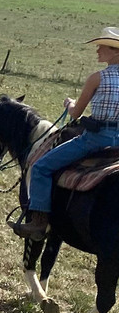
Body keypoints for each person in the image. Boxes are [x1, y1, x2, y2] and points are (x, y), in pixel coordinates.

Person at [13, 26, 119, 240]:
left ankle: (38, 222)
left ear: (115, 52)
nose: (97, 50)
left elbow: (77, 113)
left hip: (94, 139)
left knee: (41, 167)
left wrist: (70, 104)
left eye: (102, 47)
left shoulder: (96, 78)